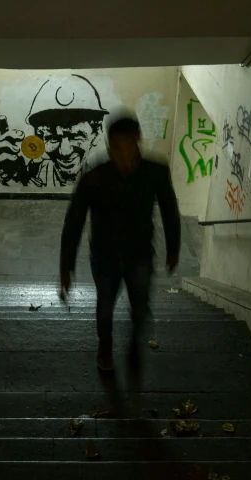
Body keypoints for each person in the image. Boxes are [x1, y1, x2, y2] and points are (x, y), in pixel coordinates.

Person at [59, 116, 181, 371]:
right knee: (105, 306)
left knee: (140, 308)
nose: (123, 151)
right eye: (117, 144)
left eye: (127, 143)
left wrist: (173, 249)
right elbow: (75, 221)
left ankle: (135, 344)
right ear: (109, 144)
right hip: (105, 257)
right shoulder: (94, 175)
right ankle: (105, 346)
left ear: (138, 140)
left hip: (140, 255)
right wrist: (66, 267)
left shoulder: (155, 171)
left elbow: (170, 210)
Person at [0, 75, 109, 187]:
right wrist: (17, 179)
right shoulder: (35, 174)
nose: (64, 152)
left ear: (97, 134)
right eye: (52, 138)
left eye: (76, 136)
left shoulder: (107, 178)